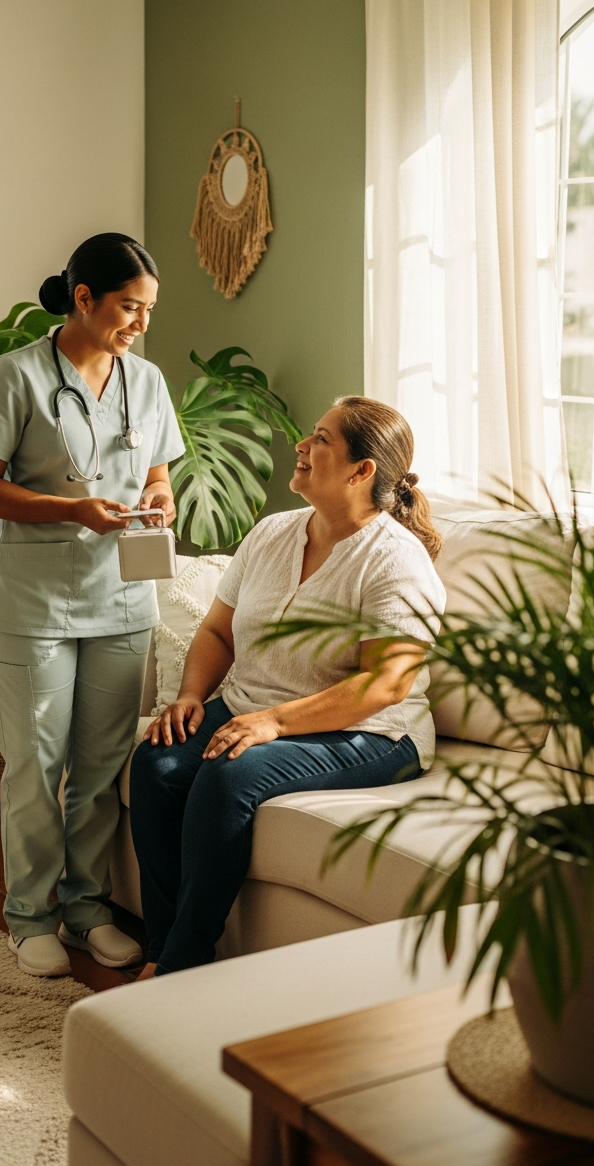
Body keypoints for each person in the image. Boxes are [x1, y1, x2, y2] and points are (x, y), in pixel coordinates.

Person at [129, 396, 446, 977]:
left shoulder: (394, 560)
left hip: (371, 732)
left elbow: (386, 685)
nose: (301, 446)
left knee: (230, 774)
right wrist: (193, 696)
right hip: (250, 707)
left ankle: (181, 966)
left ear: (362, 470)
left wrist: (273, 723)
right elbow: (218, 631)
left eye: (320, 439)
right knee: (157, 762)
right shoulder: (273, 532)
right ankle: (161, 947)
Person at [0, 233, 184, 977]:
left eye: (149, 309)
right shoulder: (16, 376)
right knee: (34, 766)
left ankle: (87, 910)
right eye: (129, 307)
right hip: (35, 605)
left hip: (122, 601)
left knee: (97, 770)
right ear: (84, 298)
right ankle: (30, 915)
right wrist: (70, 510)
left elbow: (157, 474)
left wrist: (157, 497)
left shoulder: (145, 381)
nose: (140, 323)